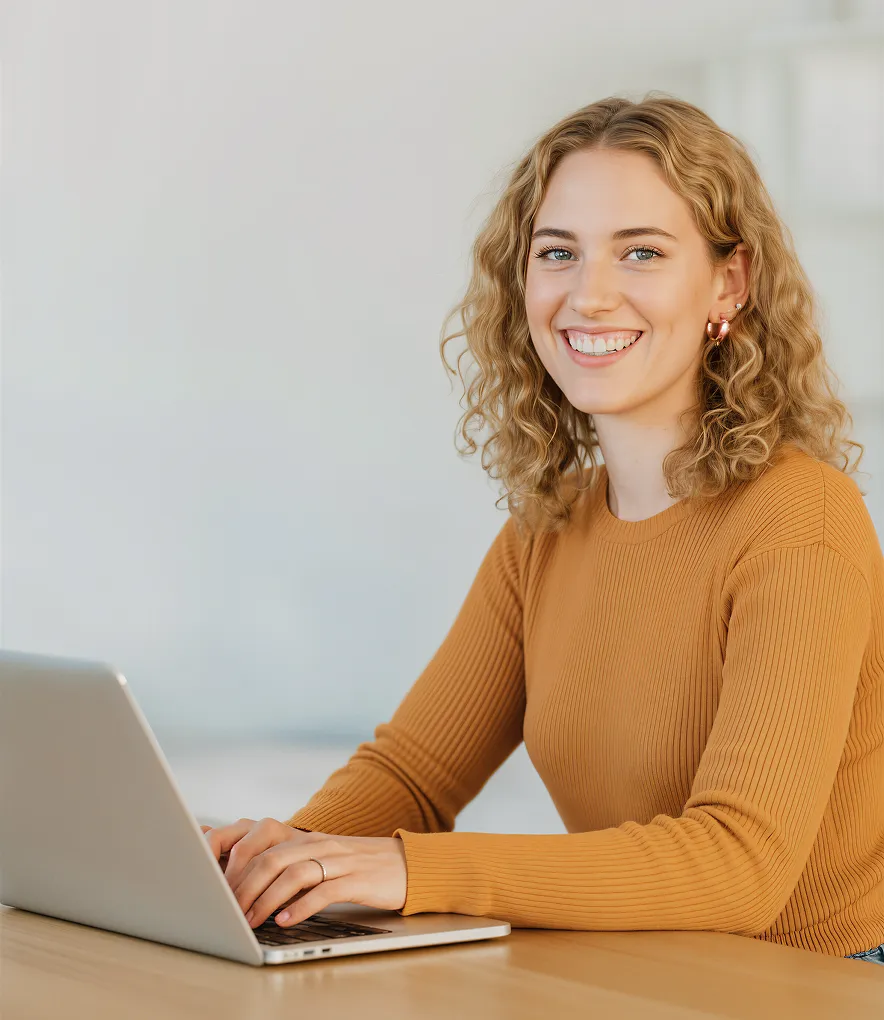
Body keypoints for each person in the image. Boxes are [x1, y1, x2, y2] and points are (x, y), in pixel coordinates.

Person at [202, 94, 884, 962]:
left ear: (729, 283)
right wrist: (274, 863)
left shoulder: (801, 520)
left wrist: (413, 872)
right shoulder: (548, 530)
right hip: (647, 976)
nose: (589, 295)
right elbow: (412, 774)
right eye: (558, 253)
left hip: (817, 986)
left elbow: (739, 868)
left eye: (641, 252)